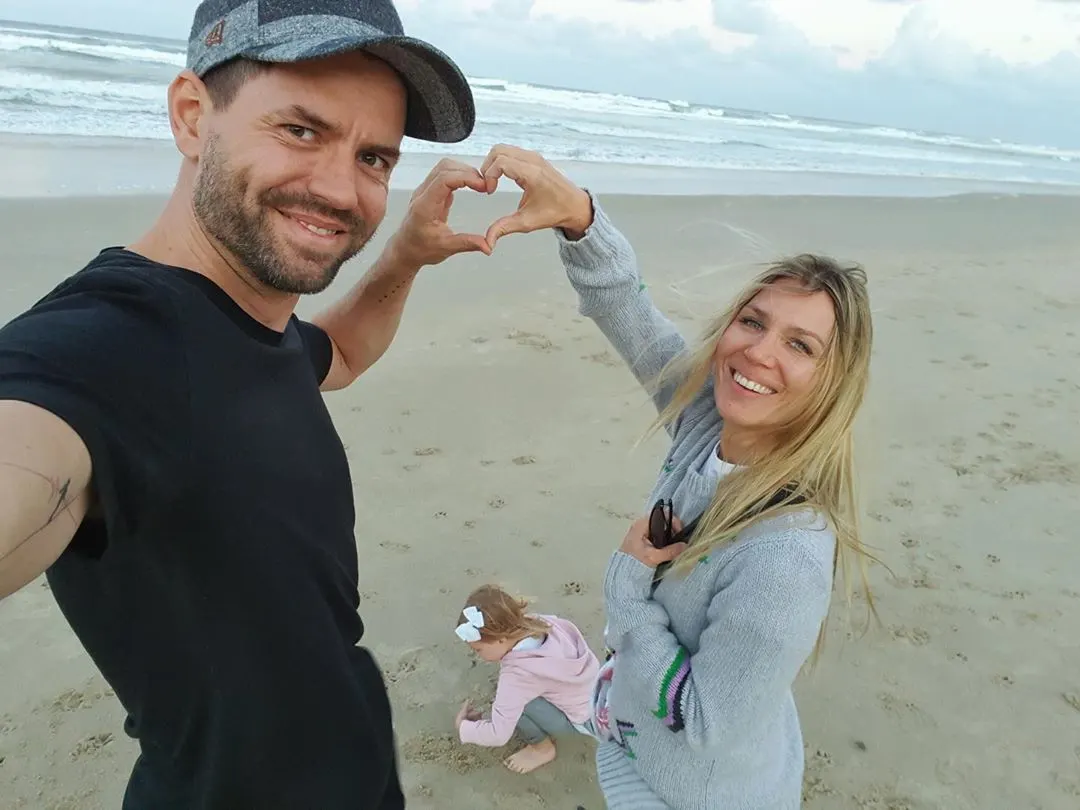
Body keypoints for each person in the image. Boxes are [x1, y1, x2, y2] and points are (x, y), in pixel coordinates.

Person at [0, 1, 495, 808]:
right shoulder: (100, 349)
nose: (342, 190)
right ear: (194, 116)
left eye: (374, 157)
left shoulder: (253, 326)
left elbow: (341, 353)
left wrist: (404, 255)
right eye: (301, 130)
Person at [472, 145, 877, 808]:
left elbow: (704, 721)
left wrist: (627, 590)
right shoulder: (706, 422)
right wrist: (580, 221)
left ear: (832, 384)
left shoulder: (787, 555)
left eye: (800, 346)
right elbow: (635, 323)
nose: (758, 351)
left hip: (693, 792)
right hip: (643, 739)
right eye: (753, 321)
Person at [452, 584, 600, 774]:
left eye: (478, 649)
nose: (477, 655)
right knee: (523, 693)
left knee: (519, 703)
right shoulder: (540, 623)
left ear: (500, 639)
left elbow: (498, 734)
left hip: (585, 721)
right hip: (601, 696)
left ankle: (542, 750)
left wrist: (463, 727)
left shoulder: (517, 676)